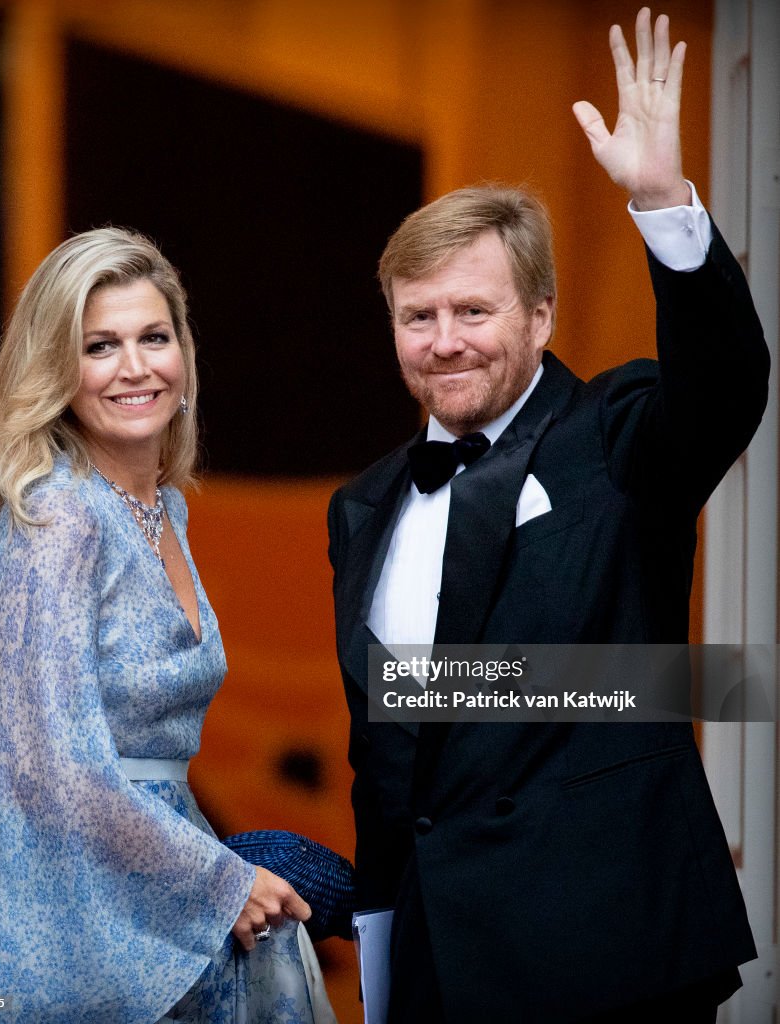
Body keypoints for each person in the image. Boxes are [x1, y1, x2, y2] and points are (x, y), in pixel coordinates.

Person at [327, 8, 768, 1023]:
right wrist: (384, 955)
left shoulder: (612, 432)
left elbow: (724, 386)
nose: (443, 341)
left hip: (610, 957)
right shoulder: (360, 506)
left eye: (472, 311)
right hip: (441, 967)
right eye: (417, 315)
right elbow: (386, 758)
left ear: (539, 317)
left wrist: (662, 203)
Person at [0, 228, 337, 1023]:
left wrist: (216, 872)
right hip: (63, 922)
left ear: (184, 354)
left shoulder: (162, 509)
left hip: (163, 896)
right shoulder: (56, 516)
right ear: (57, 371)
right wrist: (221, 882)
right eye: (100, 346)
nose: (136, 366)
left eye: (154, 337)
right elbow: (51, 769)